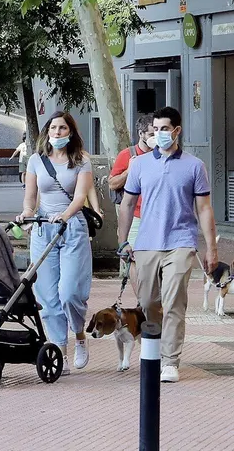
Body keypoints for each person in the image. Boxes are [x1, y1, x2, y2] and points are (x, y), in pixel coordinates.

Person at [119, 106, 218, 384]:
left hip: (181, 242)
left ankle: (170, 359)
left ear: (177, 131)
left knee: (175, 300)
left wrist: (211, 248)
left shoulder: (194, 165)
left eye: (165, 129)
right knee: (149, 301)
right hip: (147, 242)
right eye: (156, 129)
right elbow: (127, 204)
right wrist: (122, 241)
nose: (159, 134)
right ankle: (157, 344)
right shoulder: (139, 165)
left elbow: (205, 208)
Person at [16, 111, 94, 373]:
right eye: (53, 128)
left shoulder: (81, 160)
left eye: (62, 128)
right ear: (47, 132)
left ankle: (79, 335)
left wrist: (66, 215)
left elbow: (80, 197)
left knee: (70, 292)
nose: (57, 132)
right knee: (48, 296)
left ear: (70, 132)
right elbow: (30, 197)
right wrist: (27, 214)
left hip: (71, 227)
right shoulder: (36, 161)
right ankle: (60, 350)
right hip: (43, 230)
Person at [109, 113, 155, 245]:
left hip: (158, 216)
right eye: (151, 135)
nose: (156, 139)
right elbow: (112, 184)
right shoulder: (127, 155)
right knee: (132, 259)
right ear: (141, 134)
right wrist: (129, 171)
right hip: (135, 216)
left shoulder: (163, 155)